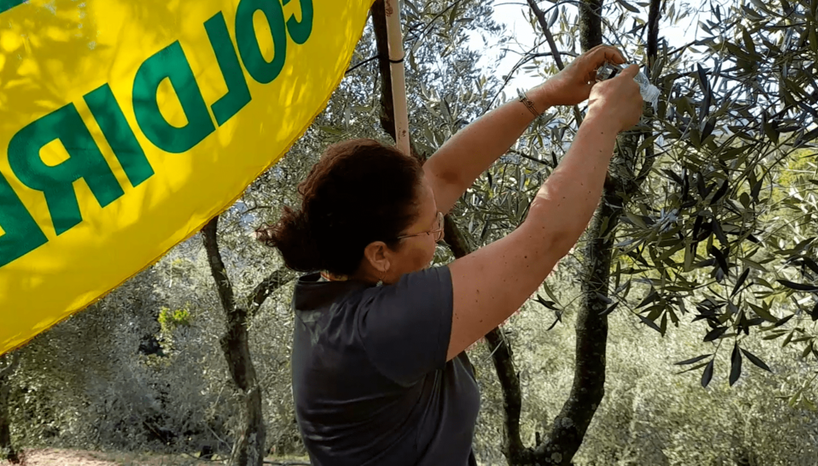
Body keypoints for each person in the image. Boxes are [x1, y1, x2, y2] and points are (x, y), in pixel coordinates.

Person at [256, 44, 644, 466]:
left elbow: (445, 175)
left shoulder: (336, 285)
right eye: (431, 228)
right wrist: (603, 118)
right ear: (380, 254)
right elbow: (545, 238)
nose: (440, 233)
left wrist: (548, 93)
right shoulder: (376, 330)